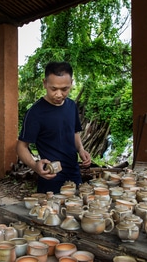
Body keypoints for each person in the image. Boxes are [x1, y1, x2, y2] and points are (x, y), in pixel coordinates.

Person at [16, 61, 91, 193]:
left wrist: (81, 150)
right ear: (45, 83)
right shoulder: (35, 112)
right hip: (51, 178)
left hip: (74, 174)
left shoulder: (71, 106)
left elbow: (74, 133)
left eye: (64, 89)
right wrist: (35, 166)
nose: (59, 94)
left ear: (71, 83)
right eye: (53, 89)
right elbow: (21, 146)